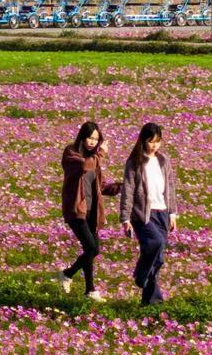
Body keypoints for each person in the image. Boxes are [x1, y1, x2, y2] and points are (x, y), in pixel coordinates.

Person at [59, 121, 121, 302]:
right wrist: (101, 153)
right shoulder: (71, 153)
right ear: (82, 136)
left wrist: (123, 187)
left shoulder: (94, 160)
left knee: (91, 250)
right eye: (90, 137)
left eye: (96, 139)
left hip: (92, 211)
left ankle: (89, 290)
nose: (93, 142)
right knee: (92, 248)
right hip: (76, 209)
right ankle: (68, 274)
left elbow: (101, 186)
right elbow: (84, 166)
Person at [119, 122, 178, 306]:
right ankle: (140, 274)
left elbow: (170, 187)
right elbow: (128, 190)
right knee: (156, 242)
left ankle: (151, 301)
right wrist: (125, 218)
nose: (154, 145)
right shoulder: (135, 162)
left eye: (158, 142)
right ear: (143, 141)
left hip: (162, 212)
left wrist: (173, 213)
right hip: (142, 214)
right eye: (151, 141)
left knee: (158, 257)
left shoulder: (163, 160)